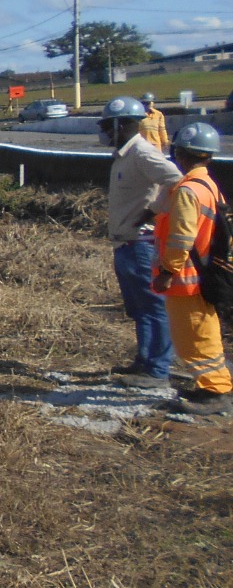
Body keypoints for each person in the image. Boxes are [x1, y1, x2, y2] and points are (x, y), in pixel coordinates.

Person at [100, 97, 181, 387]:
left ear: (121, 125)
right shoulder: (125, 155)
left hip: (141, 245)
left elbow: (179, 182)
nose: (105, 131)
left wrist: (154, 211)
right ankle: (145, 361)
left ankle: (157, 370)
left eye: (108, 126)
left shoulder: (143, 154)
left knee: (153, 307)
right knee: (139, 308)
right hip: (125, 243)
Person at [153, 122, 231, 415]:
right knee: (201, 333)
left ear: (182, 154)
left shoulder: (188, 191)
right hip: (204, 274)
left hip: (188, 278)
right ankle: (211, 386)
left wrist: (167, 271)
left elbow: (181, 237)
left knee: (195, 337)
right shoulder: (209, 186)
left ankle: (215, 391)